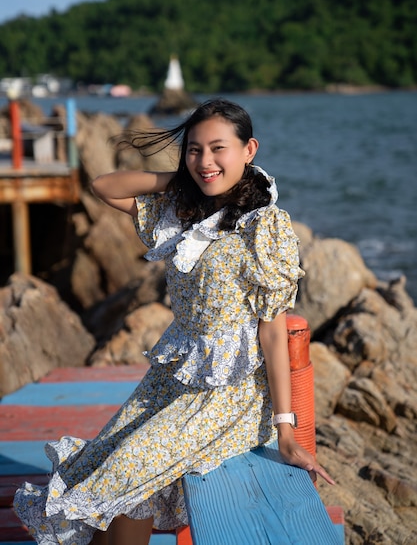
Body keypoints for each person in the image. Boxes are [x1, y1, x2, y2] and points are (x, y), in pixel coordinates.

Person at [14, 98, 334, 545]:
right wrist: (184, 180)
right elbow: (105, 185)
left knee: (124, 470)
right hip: (174, 376)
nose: (206, 161)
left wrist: (286, 430)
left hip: (229, 393)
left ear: (249, 149)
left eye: (219, 149)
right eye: (194, 150)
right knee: (108, 464)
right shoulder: (181, 213)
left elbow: (272, 330)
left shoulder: (265, 226)